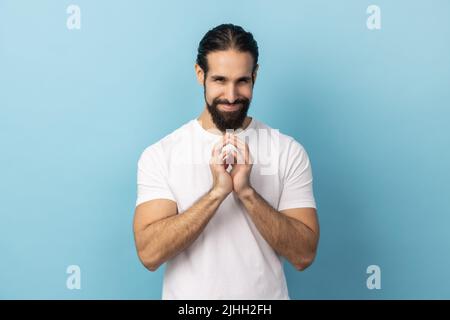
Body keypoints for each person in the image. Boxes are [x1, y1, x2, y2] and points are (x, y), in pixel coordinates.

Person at [133, 23, 319, 299]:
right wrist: (217, 193)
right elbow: (149, 254)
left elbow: (304, 254)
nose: (231, 96)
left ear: (255, 76)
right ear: (200, 74)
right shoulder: (161, 155)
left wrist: (246, 192)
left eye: (242, 81)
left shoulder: (287, 151)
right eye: (220, 80)